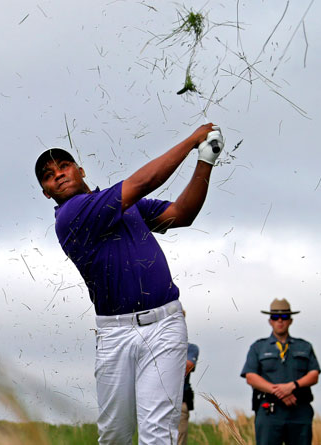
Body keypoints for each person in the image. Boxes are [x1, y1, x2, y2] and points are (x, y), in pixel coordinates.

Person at [35, 122, 224, 444]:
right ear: (47, 192)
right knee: (115, 436)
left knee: (158, 435)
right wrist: (192, 139)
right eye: (50, 175)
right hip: (114, 332)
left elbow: (181, 213)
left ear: (80, 170)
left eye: (64, 166)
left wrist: (205, 160)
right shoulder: (70, 216)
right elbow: (143, 181)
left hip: (165, 323)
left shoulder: (125, 206)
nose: (59, 175)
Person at [241, 299, 321, 445]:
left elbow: (314, 374)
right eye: (275, 317)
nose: (280, 321)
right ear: (269, 321)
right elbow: (251, 377)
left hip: (299, 411)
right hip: (269, 412)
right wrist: (279, 391)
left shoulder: (304, 346)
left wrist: (292, 386)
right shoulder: (258, 347)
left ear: (290, 320)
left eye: (284, 317)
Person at [178, 342, 199, 445]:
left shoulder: (190, 347)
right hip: (155, 401)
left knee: (179, 439)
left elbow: (188, 366)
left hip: (180, 401)